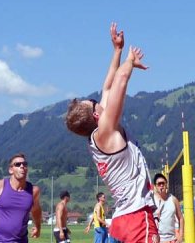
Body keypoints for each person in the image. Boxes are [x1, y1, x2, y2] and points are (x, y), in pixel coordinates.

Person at [65, 23, 157, 243]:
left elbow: (106, 88)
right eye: (95, 103)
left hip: (123, 219)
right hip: (136, 217)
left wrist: (116, 51)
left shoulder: (97, 135)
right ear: (97, 115)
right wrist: (129, 61)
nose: (98, 101)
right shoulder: (106, 130)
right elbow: (120, 82)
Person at [152, 174, 183, 243]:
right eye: (159, 184)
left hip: (171, 239)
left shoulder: (173, 199)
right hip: (156, 240)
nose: (161, 185)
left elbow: (181, 218)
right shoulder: (150, 200)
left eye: (163, 183)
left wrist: (180, 237)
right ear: (155, 186)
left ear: (166, 185)